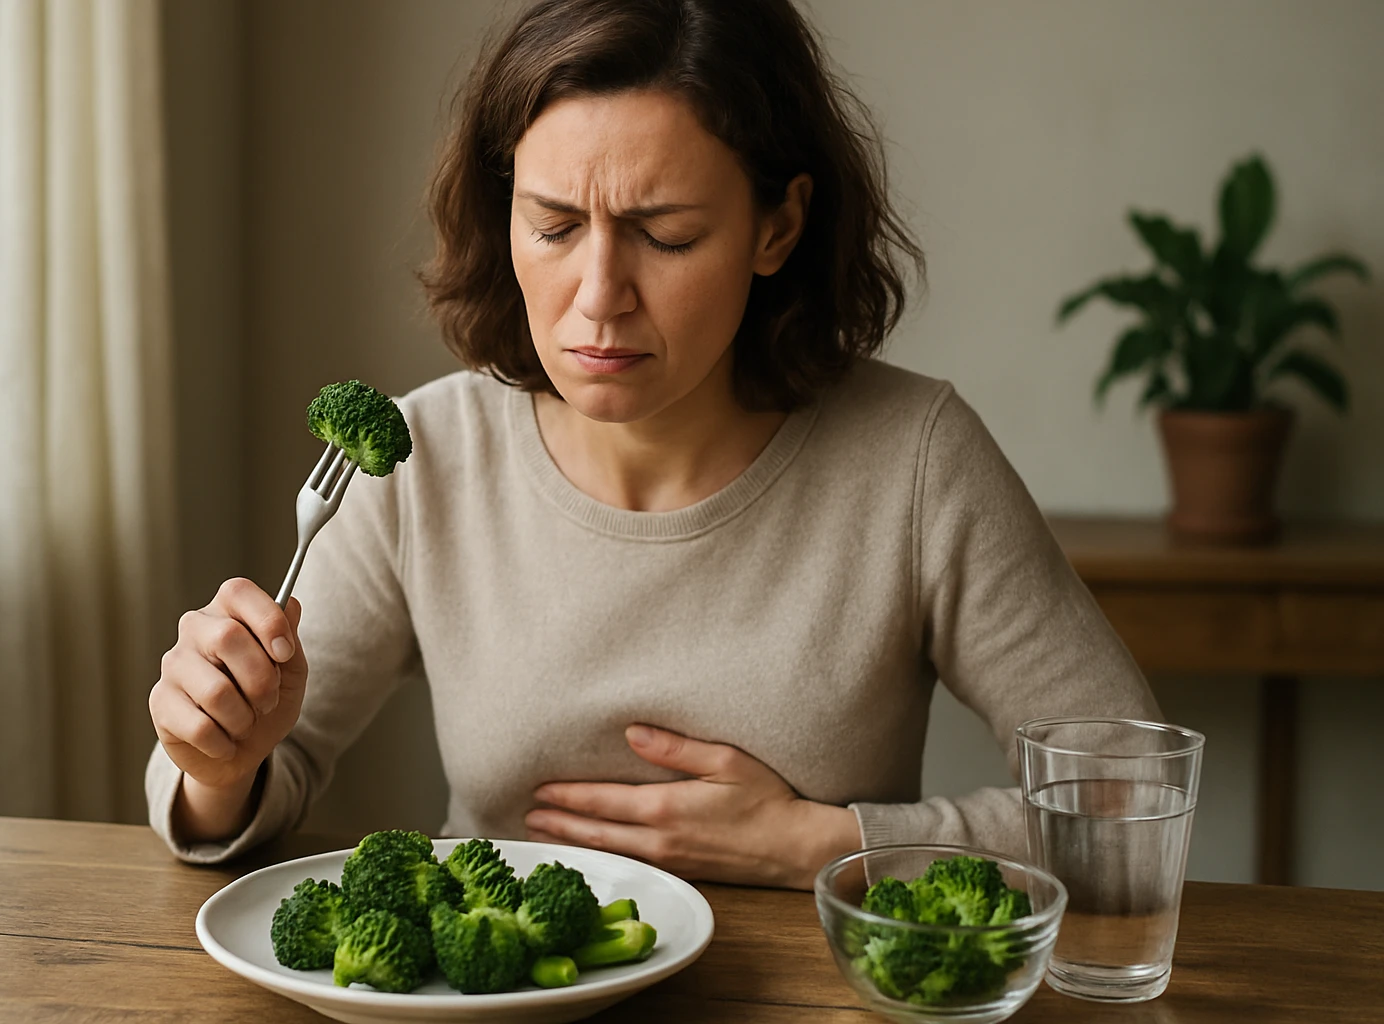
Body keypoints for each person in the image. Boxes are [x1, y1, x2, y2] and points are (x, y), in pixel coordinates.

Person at [145, 0, 1158, 889]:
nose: (597, 299)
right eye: (551, 227)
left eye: (665, 235)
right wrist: (218, 766)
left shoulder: (917, 461)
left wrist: (827, 846)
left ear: (779, 226)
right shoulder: (424, 457)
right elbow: (234, 797)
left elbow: (1134, 796)